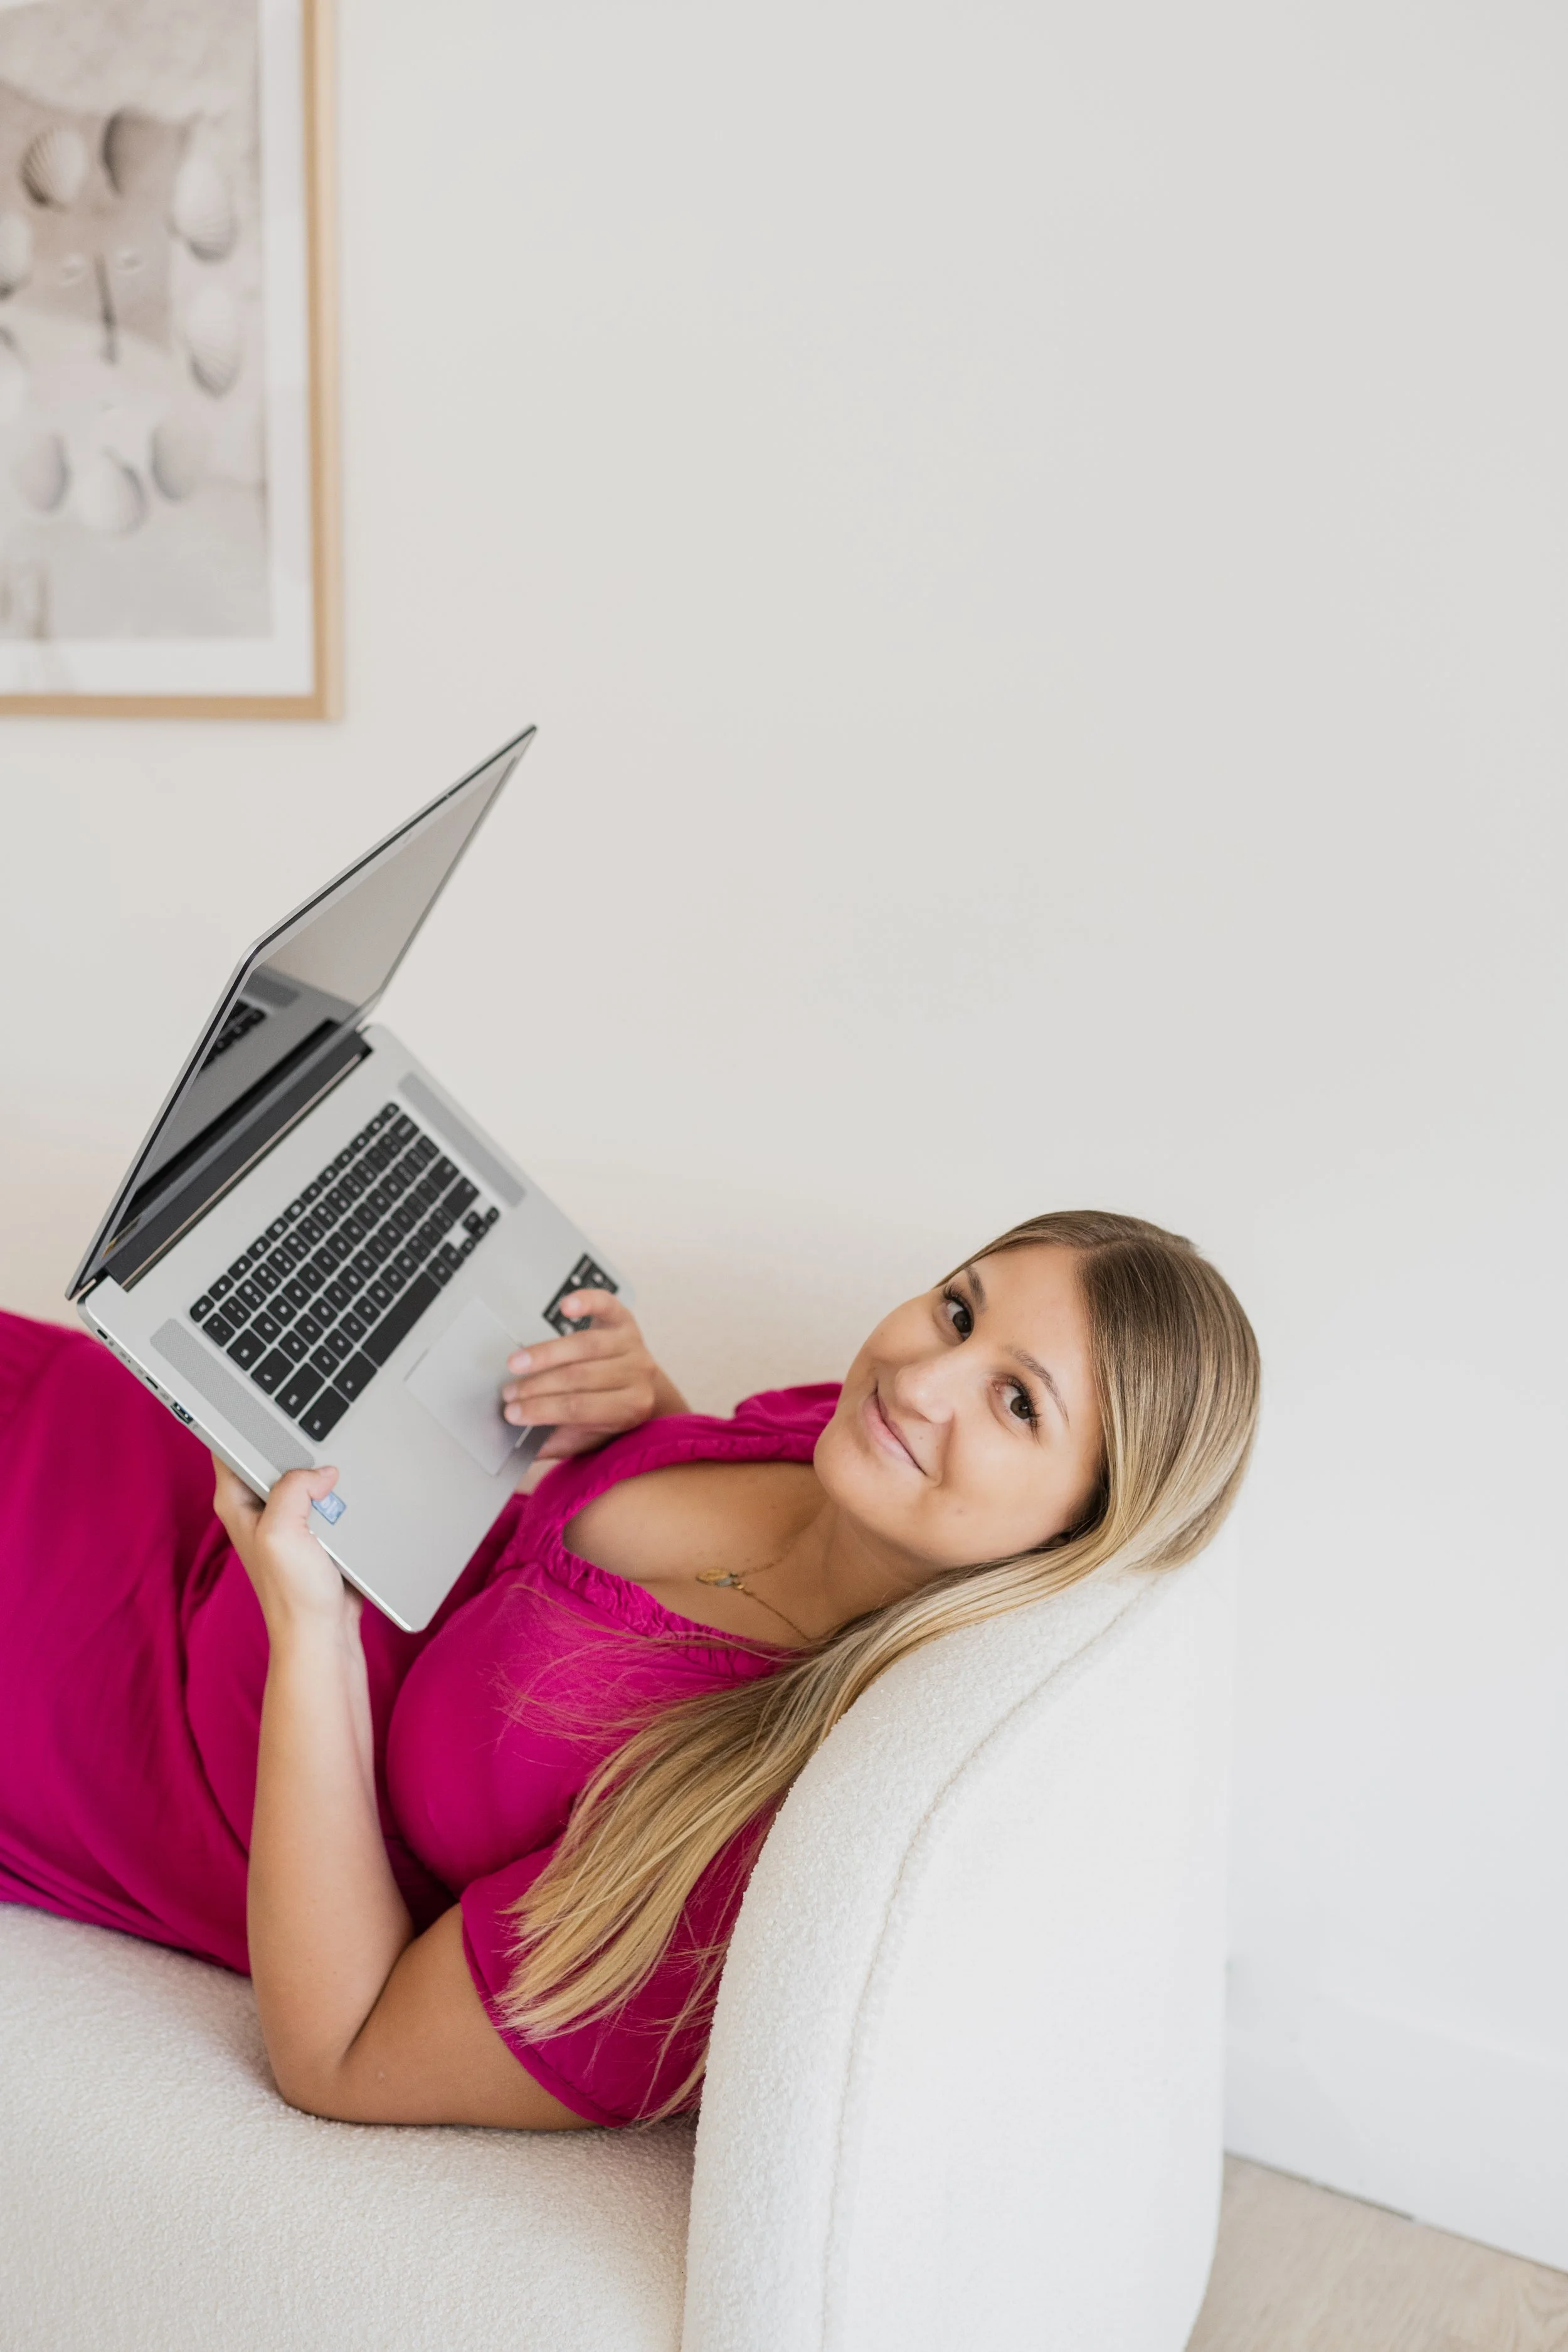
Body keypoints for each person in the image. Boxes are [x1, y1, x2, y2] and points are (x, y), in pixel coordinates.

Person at [0, 1209, 1258, 2131]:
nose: (920, 1381)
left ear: (1079, 1533)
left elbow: (343, 2055)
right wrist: (642, 1412)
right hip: (192, 1470)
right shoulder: (835, 1445)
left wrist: (313, 1631)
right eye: (958, 1309)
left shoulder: (743, 1840)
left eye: (1018, 1404)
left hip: (122, 1717)